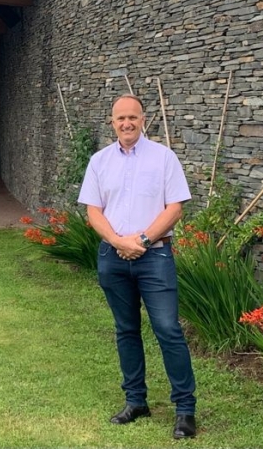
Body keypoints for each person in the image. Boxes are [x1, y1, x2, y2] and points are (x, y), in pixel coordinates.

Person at [78, 94, 197, 439]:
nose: (126, 123)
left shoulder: (164, 158)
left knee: (168, 330)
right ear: (111, 123)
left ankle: (185, 410)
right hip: (112, 258)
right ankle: (136, 400)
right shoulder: (99, 161)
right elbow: (93, 211)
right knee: (126, 330)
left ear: (143, 119)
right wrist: (118, 242)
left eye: (132, 117)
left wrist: (141, 241)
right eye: (120, 119)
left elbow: (175, 208)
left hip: (155, 256)